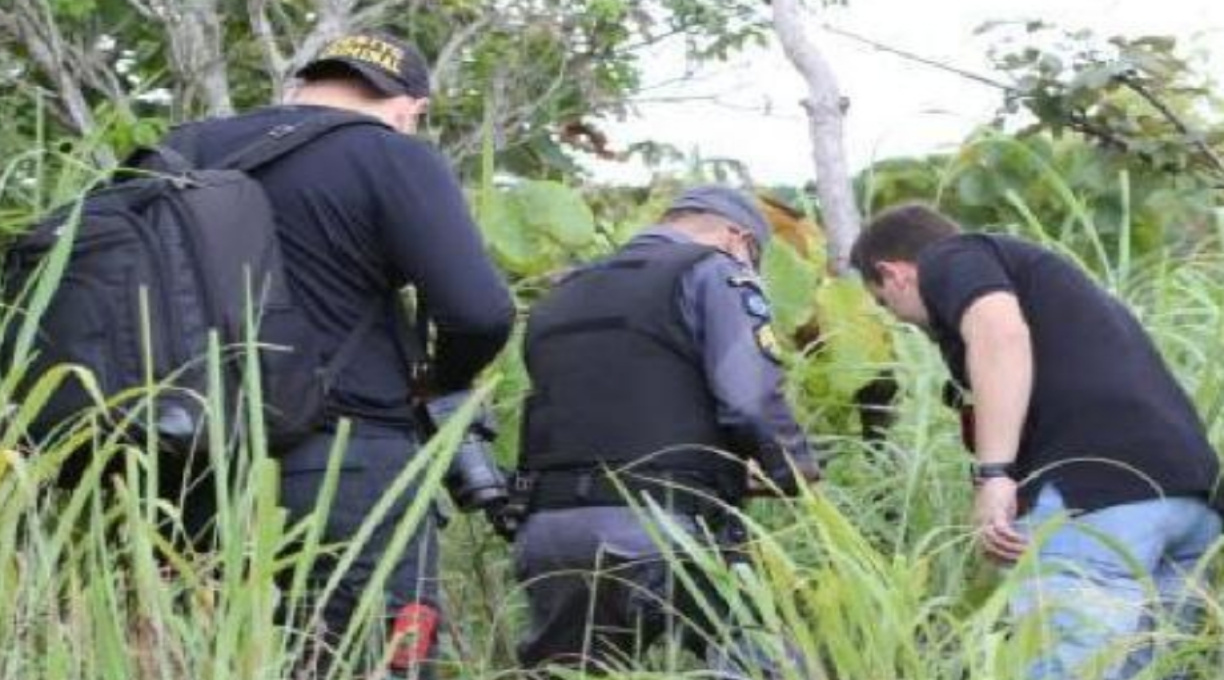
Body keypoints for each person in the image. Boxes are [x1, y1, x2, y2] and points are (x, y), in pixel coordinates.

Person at [162, 31, 515, 678]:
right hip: (343, 460)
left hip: (180, 464)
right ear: (411, 108)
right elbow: (479, 313)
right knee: (367, 658)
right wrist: (440, 382)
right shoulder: (388, 155)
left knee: (189, 656)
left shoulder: (178, 150)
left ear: (298, 86)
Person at [850, 203, 1222, 679]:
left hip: (1098, 502)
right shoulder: (1055, 290)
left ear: (894, 273)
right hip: (1191, 502)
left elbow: (1000, 334)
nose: (899, 320)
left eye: (885, 303)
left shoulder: (952, 257)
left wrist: (994, 475)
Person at [510, 185, 821, 677]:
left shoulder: (562, 291)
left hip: (550, 531)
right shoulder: (714, 269)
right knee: (773, 663)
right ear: (738, 238)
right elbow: (749, 398)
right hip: (665, 523)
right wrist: (793, 471)